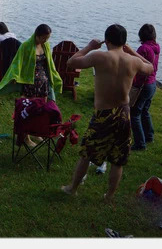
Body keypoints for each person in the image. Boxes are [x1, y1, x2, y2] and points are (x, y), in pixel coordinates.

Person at [60, 24, 154, 205]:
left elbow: (71, 62)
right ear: (124, 42)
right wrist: (132, 52)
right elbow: (150, 67)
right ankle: (109, 196)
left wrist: (89, 46)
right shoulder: (132, 61)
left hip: (103, 114)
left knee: (87, 153)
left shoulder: (99, 56)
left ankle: (72, 189)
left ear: (107, 40)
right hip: (124, 113)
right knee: (117, 159)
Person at [0, 24, 62, 145]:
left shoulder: (46, 46)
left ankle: (38, 133)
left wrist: (53, 78)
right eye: (44, 38)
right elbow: (17, 62)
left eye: (48, 38)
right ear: (37, 35)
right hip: (30, 83)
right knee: (29, 109)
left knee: (42, 109)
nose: (46, 40)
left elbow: (49, 64)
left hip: (43, 82)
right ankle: (26, 137)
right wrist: (14, 76)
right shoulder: (26, 46)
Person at [130, 24, 161, 151]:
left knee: (135, 114)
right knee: (145, 111)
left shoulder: (144, 49)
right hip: (153, 84)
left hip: (144, 85)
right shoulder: (156, 47)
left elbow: (134, 64)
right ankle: (149, 136)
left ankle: (140, 143)